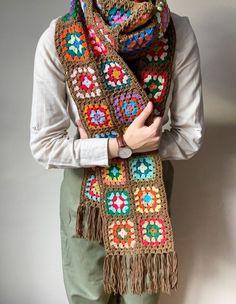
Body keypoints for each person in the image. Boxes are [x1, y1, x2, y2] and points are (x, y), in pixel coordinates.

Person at [30, 2, 205, 304]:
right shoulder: (61, 36)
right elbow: (44, 145)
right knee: (87, 298)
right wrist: (122, 145)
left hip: (148, 196)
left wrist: (143, 142)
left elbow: (190, 136)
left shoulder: (177, 32)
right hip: (87, 196)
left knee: (141, 298)